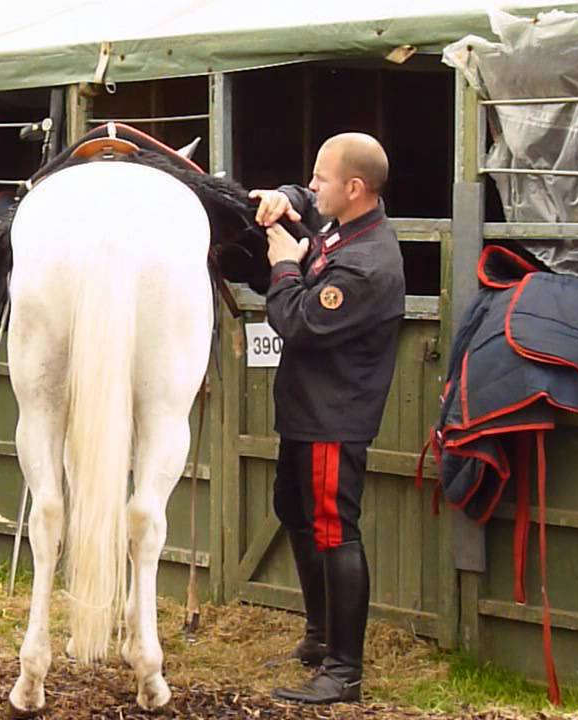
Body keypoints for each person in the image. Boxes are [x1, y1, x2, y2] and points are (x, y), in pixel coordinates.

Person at [247, 132, 405, 704]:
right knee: (293, 509)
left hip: (334, 417)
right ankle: (319, 637)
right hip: (305, 410)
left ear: (354, 187)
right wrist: (283, 197)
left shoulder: (367, 265)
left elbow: (298, 320)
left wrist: (285, 267)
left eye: (322, 178)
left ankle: (344, 671)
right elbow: (303, 204)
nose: (314, 186)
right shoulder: (342, 223)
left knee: (336, 531)